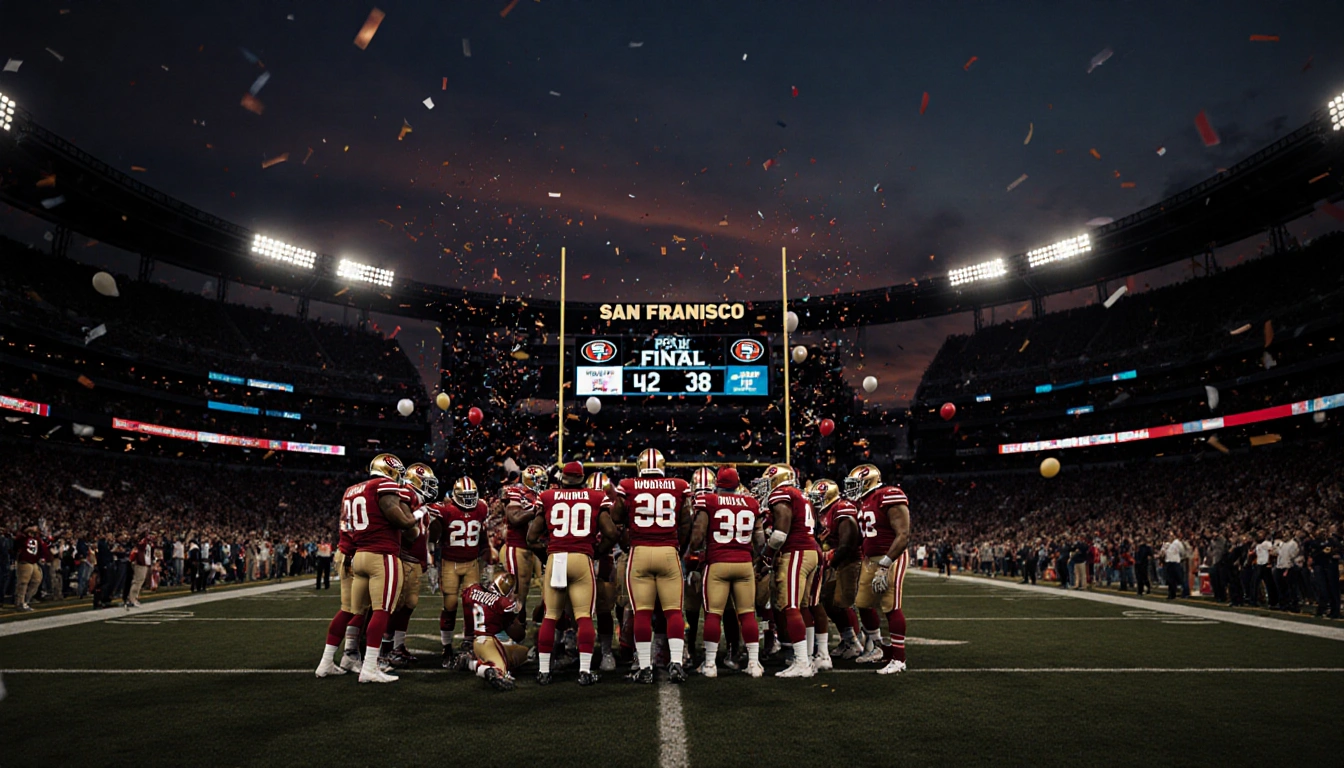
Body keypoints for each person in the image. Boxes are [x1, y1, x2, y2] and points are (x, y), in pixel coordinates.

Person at [314, 453, 419, 683]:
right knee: (382, 610)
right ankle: (370, 667)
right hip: (380, 554)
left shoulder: (352, 489)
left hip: (357, 553)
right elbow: (402, 521)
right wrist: (416, 514)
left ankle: (326, 662)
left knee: (351, 610)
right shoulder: (383, 486)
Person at [527, 460, 618, 686]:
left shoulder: (548, 496)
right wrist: (597, 552)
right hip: (581, 558)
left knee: (551, 615)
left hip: (557, 558)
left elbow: (531, 537)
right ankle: (585, 671)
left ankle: (544, 671)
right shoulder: (596, 498)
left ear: (562, 479)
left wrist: (545, 553)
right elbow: (612, 533)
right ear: (582, 479)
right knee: (584, 616)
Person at [606, 448, 692, 684]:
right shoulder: (678, 485)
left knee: (641, 611)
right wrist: (679, 548)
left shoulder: (628, 485)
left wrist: (627, 543)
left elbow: (616, 521)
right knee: (673, 610)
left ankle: (644, 666)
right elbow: (686, 523)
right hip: (668, 552)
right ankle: (676, 662)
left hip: (640, 552)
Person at [688, 467, 766, 679]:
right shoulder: (751, 503)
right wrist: (758, 560)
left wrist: (691, 553)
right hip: (744, 564)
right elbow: (760, 541)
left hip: (718, 563)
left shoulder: (710, 501)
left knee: (713, 613)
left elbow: (697, 536)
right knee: (747, 614)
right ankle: (753, 663)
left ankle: (711, 664)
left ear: (718, 484)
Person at [845, 463, 912, 676]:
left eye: (857, 484)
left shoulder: (888, 495)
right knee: (863, 604)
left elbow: (903, 534)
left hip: (890, 556)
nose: (852, 488)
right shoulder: (863, 502)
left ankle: (899, 659)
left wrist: (885, 563)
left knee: (891, 606)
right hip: (870, 559)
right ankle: (880, 648)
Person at [756, 464, 822, 678]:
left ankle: (802, 662)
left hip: (797, 552)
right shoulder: (801, 495)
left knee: (791, 606)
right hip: (810, 550)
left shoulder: (782, 494)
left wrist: (766, 556)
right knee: (803, 607)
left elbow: (779, 536)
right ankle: (808, 658)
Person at [430, 475, 489, 667]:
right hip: (450, 563)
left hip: (472, 562)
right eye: (465, 495)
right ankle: (446, 647)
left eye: (472, 495)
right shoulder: (445, 511)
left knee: (471, 603)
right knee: (450, 604)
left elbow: (483, 534)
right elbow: (434, 535)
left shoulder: (481, 508)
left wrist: (487, 556)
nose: (470, 499)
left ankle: (468, 641)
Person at [458, 571, 529, 691]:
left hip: (478, 642)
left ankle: (472, 661)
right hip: (489, 642)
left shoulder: (473, 591)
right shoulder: (503, 603)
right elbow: (518, 634)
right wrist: (520, 617)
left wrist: (468, 638)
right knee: (500, 672)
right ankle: (473, 665)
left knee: (523, 653)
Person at [501, 465, 549, 622]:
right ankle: (508, 629)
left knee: (527, 588)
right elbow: (514, 518)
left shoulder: (541, 495)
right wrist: (536, 511)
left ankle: (521, 626)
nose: (542, 483)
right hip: (518, 546)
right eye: (539, 480)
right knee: (516, 589)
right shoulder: (517, 492)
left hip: (535, 547)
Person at [1308, 524, 1341, 619]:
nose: (1323, 534)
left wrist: (1335, 554)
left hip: (1330, 566)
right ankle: (1323, 608)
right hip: (1321, 566)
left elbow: (1339, 550)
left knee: (1333, 589)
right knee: (1323, 589)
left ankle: (1335, 610)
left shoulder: (1333, 541)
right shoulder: (1315, 542)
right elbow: (1314, 552)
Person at [14, 526, 47, 611]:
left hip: (34, 562)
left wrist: (42, 557)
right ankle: (20, 602)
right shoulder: (23, 538)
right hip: (25, 561)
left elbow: (41, 548)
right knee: (23, 582)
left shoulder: (37, 539)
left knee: (37, 580)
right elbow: (17, 541)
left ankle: (26, 599)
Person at [127, 533, 154, 608]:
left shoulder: (148, 544)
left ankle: (134, 598)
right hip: (140, 563)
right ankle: (132, 599)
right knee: (137, 581)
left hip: (145, 563)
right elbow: (140, 547)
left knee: (140, 581)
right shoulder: (142, 543)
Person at [1162, 532, 1187, 601]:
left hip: (1175, 562)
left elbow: (1182, 551)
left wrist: (1181, 558)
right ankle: (1171, 594)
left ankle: (1185, 592)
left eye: (1171, 536)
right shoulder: (1166, 544)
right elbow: (1162, 553)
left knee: (1180, 578)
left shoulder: (1177, 543)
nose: (1170, 537)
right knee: (1170, 580)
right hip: (1168, 562)